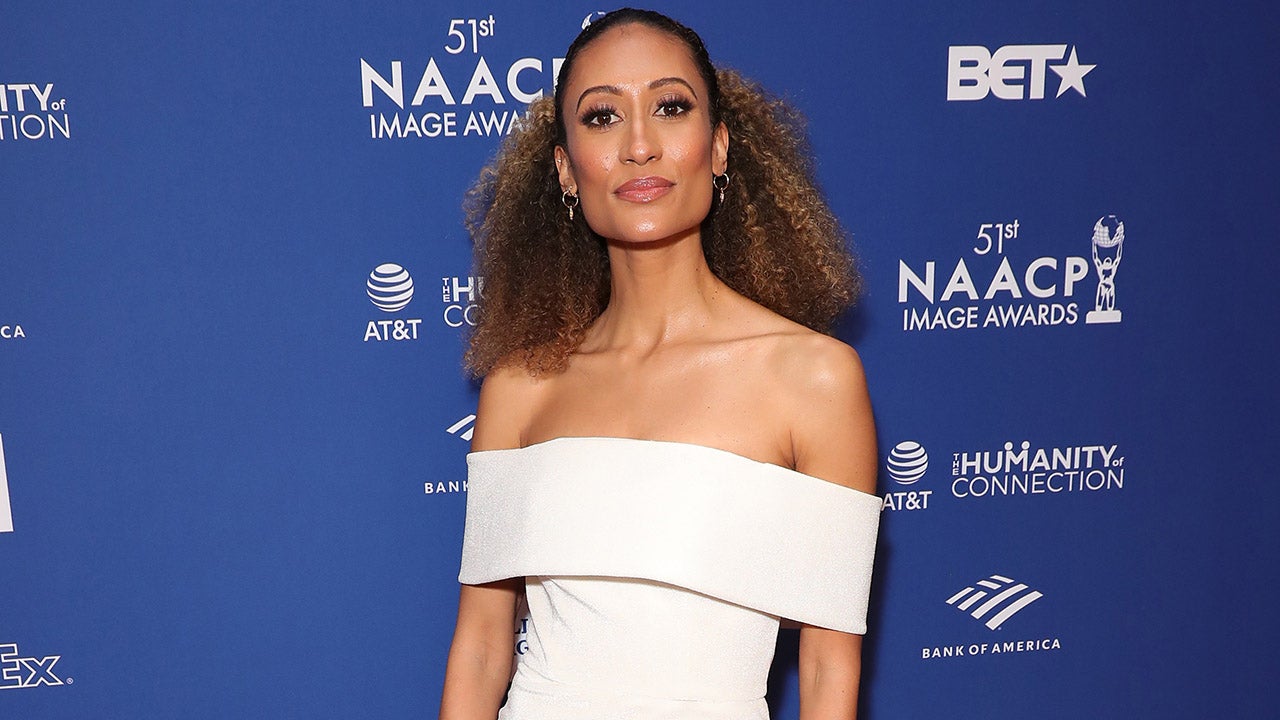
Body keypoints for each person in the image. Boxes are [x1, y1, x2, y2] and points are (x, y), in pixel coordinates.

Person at [440, 8, 880, 719]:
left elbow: (829, 666)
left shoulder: (813, 379)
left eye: (670, 108)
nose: (639, 146)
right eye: (602, 117)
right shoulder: (519, 387)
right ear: (565, 169)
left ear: (718, 147)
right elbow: (483, 644)